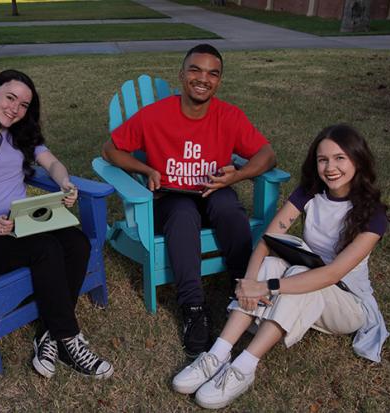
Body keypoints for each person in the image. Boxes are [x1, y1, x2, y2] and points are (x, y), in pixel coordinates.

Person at [172, 124, 390, 409]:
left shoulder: (374, 214)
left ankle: (244, 368)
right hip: (311, 279)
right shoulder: (310, 193)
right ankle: (217, 354)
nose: (330, 167)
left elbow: (334, 273)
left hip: (348, 304)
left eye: (340, 158)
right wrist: (249, 280)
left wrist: (268, 286)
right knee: (272, 262)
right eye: (323, 159)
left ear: (357, 160)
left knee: (299, 274)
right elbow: (268, 238)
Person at [102, 44, 277, 357]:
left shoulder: (229, 116)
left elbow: (267, 155)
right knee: (183, 215)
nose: (203, 78)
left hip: (214, 189)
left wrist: (236, 175)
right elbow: (111, 150)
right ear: (181, 75)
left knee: (229, 208)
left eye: (212, 73)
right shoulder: (154, 115)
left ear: (219, 81)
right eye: (195, 70)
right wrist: (145, 169)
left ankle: (243, 287)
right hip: (171, 196)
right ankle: (194, 308)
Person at [0, 69, 113, 379]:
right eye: (10, 98)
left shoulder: (21, 134)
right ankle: (68, 340)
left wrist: (65, 182)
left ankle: (47, 335)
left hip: (24, 224)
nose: (15, 108)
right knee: (47, 249)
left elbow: (51, 162)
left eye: (24, 104)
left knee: (77, 243)